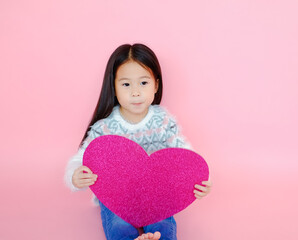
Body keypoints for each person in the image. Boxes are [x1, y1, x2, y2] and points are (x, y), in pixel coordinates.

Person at [64, 43, 212, 240]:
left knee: (164, 226)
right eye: (126, 84)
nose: (135, 92)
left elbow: (184, 155)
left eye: (143, 83)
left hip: (156, 196)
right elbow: (82, 160)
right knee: (118, 227)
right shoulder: (104, 128)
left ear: (156, 85)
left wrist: (199, 181)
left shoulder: (163, 121)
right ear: (114, 87)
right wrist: (76, 176)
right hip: (116, 197)